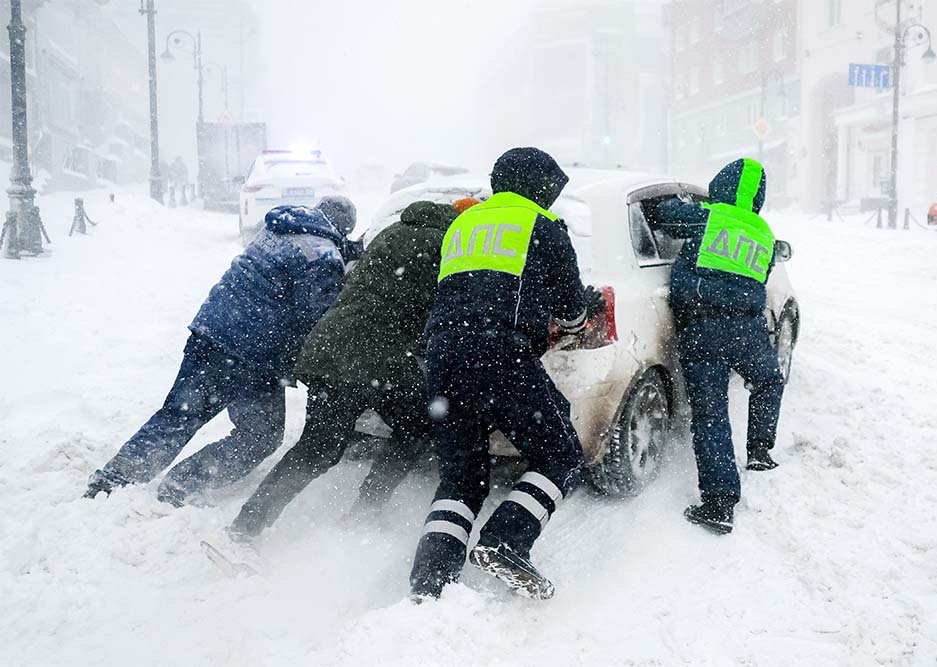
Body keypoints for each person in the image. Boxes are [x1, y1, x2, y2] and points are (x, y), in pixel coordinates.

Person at [408, 147, 603, 601]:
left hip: (442, 355)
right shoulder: (544, 228)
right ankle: (506, 542)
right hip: (500, 354)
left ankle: (429, 582)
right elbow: (572, 313)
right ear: (542, 188)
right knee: (561, 456)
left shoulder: (462, 223)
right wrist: (579, 312)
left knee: (462, 476)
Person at [84, 203, 355, 506]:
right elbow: (317, 319)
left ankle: (113, 480)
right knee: (259, 436)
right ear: (344, 229)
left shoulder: (281, 228)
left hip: (211, 331)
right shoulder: (325, 257)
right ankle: (182, 483)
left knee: (179, 414)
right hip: (254, 355)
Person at [228, 200, 459, 538]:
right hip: (378, 355)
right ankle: (367, 509)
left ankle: (246, 525)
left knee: (317, 447)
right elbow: (436, 312)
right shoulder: (446, 247)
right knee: (417, 425)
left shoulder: (392, 232)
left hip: (330, 344)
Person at [650, 157, 784, 535]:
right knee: (769, 381)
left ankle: (720, 502)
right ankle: (759, 450)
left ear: (722, 184)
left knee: (710, 414)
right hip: (747, 329)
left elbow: (663, 215)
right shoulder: (763, 233)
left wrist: (685, 203)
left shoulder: (707, 215)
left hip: (703, 327)